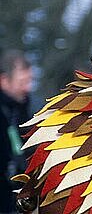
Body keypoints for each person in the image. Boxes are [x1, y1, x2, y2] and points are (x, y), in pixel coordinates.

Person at [0, 50, 33, 214]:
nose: (27, 88)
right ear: (4, 81)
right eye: (22, 83)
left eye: (29, 82)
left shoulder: (24, 110)